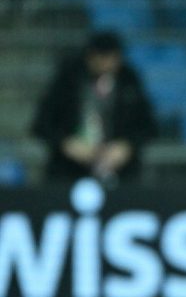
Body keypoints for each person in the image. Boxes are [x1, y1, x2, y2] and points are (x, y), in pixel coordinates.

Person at [31, 30, 156, 184]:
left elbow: (148, 126)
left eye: (112, 59)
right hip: (67, 173)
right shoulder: (68, 79)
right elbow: (42, 124)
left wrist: (127, 146)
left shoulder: (128, 80)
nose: (107, 65)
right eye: (102, 58)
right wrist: (67, 144)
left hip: (121, 175)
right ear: (90, 57)